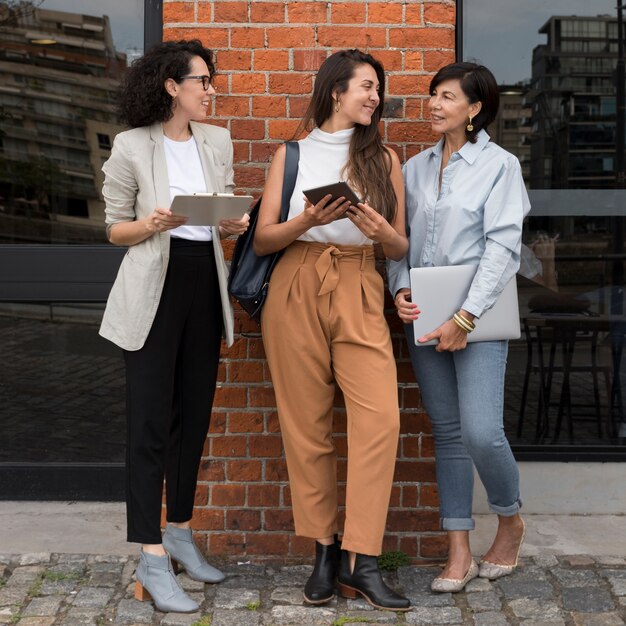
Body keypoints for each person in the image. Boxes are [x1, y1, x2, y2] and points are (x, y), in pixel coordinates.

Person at [254, 49, 410, 612]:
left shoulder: (384, 158)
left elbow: (400, 246)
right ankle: (324, 551)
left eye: (377, 88)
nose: (374, 96)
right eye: (365, 86)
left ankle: (361, 560)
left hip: (361, 285)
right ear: (335, 91)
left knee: (381, 419)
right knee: (307, 426)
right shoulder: (290, 154)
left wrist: (375, 228)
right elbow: (264, 239)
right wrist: (309, 221)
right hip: (296, 283)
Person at [99, 40, 249, 613]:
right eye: (202, 81)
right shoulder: (132, 146)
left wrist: (232, 222)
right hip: (153, 289)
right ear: (171, 86)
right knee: (150, 424)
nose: (210, 90)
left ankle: (180, 532)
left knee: (194, 415)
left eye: (211, 82)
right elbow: (114, 230)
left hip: (202, 286)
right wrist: (152, 222)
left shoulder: (216, 140)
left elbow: (224, 225)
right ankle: (150, 555)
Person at [388, 62, 530, 593]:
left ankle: (510, 518)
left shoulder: (501, 166)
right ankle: (458, 550)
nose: (434, 104)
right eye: (433, 95)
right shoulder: (416, 167)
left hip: (478, 316)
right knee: (446, 433)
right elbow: (398, 238)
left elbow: (502, 249)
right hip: (423, 312)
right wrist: (399, 288)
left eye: (447, 96)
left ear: (474, 109)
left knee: (480, 432)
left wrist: (464, 317)